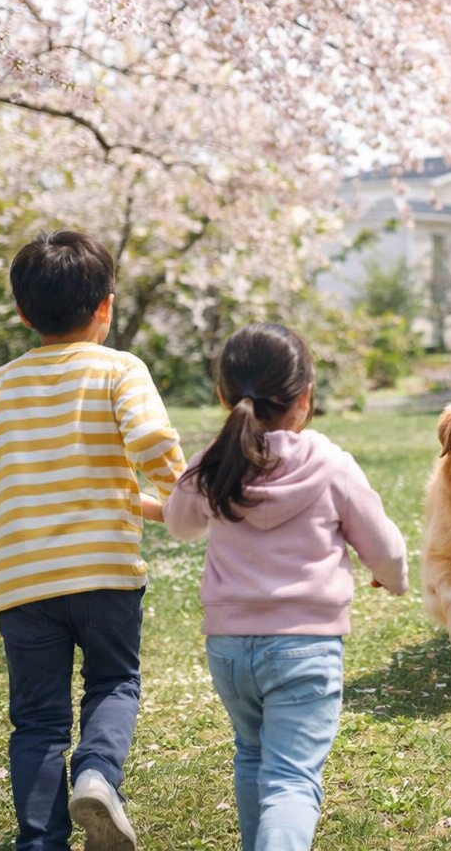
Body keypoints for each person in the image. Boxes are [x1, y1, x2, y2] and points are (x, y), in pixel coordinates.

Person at [0, 230, 186, 851]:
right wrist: (183, 494)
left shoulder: (0, 386)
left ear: (23, 313)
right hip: (105, 572)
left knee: (38, 720)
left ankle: (41, 841)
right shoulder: (119, 368)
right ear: (106, 306)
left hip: (24, 583)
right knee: (113, 684)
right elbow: (153, 442)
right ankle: (99, 775)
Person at [164, 322, 408, 851]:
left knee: (253, 756)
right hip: (306, 648)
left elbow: (180, 524)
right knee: (292, 779)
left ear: (225, 395)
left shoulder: (213, 462)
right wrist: (394, 579)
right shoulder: (331, 464)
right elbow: (384, 548)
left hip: (228, 650)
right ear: (305, 398)